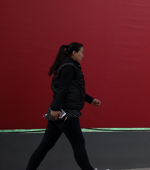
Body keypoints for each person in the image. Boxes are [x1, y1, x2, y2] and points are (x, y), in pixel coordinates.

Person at [26, 42, 102, 170]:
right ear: (74, 53)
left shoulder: (67, 66)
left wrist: (90, 100)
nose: (83, 55)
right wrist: (55, 109)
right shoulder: (69, 67)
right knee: (78, 143)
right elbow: (63, 89)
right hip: (65, 112)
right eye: (81, 52)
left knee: (45, 145)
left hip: (59, 111)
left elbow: (75, 90)